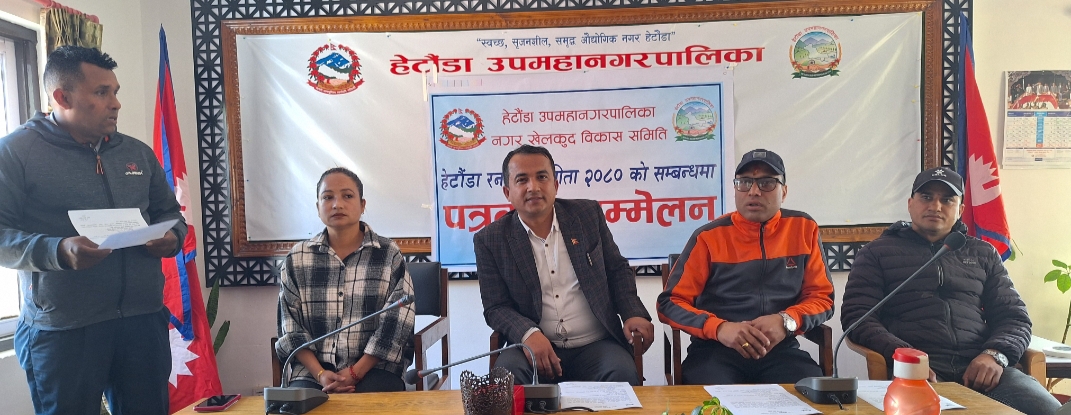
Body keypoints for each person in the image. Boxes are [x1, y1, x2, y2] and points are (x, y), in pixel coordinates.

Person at [0, 46, 185, 415]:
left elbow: (170, 213)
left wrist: (171, 238)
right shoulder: (16, 153)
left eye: (115, 91)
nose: (115, 103)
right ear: (62, 97)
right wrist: (58, 251)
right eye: (102, 92)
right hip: (64, 330)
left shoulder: (137, 153)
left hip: (142, 321)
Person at [841, 167, 1060, 415]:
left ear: (960, 209)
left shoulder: (983, 253)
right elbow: (858, 317)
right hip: (918, 371)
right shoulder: (876, 253)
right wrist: (905, 357)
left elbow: (1014, 317)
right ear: (910, 204)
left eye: (947, 200)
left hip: (983, 368)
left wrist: (994, 354)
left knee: (1051, 411)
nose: (936, 206)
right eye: (926, 197)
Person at [474, 145, 654, 385]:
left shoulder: (587, 215)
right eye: (522, 180)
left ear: (555, 185)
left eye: (542, 177)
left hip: (596, 344)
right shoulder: (490, 239)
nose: (533, 187)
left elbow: (617, 270)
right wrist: (529, 334)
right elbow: (496, 307)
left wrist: (633, 312)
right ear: (507, 192)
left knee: (621, 375)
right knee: (506, 378)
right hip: (532, 348)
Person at [657, 149, 834, 385]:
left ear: (784, 191)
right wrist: (719, 328)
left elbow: (823, 298)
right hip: (715, 350)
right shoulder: (708, 237)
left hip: (780, 349)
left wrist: (786, 321)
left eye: (767, 183)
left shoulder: (803, 229)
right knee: (712, 400)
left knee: (812, 396)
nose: (754, 191)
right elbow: (669, 303)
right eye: (744, 182)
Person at [277, 167, 415, 393]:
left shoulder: (388, 254)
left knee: (373, 405)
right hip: (313, 372)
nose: (337, 204)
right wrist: (320, 374)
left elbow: (396, 324)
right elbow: (290, 325)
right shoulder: (297, 259)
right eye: (327, 197)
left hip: (376, 368)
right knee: (299, 407)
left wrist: (355, 372)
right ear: (318, 207)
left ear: (362, 205)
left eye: (347, 196)